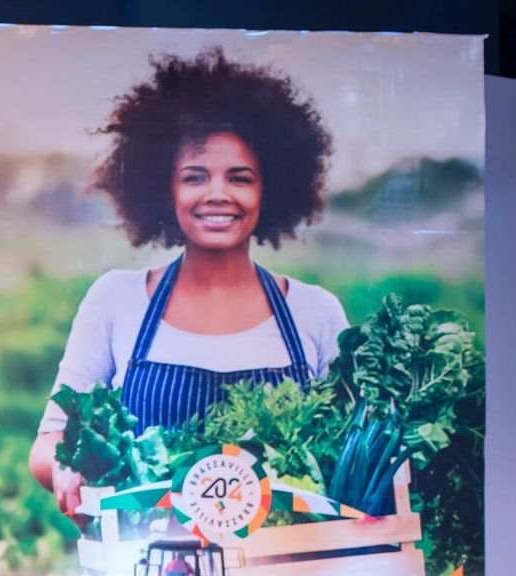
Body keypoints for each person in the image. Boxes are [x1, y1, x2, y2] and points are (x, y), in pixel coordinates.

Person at [29, 47, 348, 515]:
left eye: (240, 178)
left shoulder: (316, 312)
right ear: (164, 189)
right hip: (149, 568)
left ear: (270, 190)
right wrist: (66, 467)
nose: (217, 194)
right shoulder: (116, 299)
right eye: (195, 177)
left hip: (286, 573)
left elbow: (343, 464)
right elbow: (48, 442)